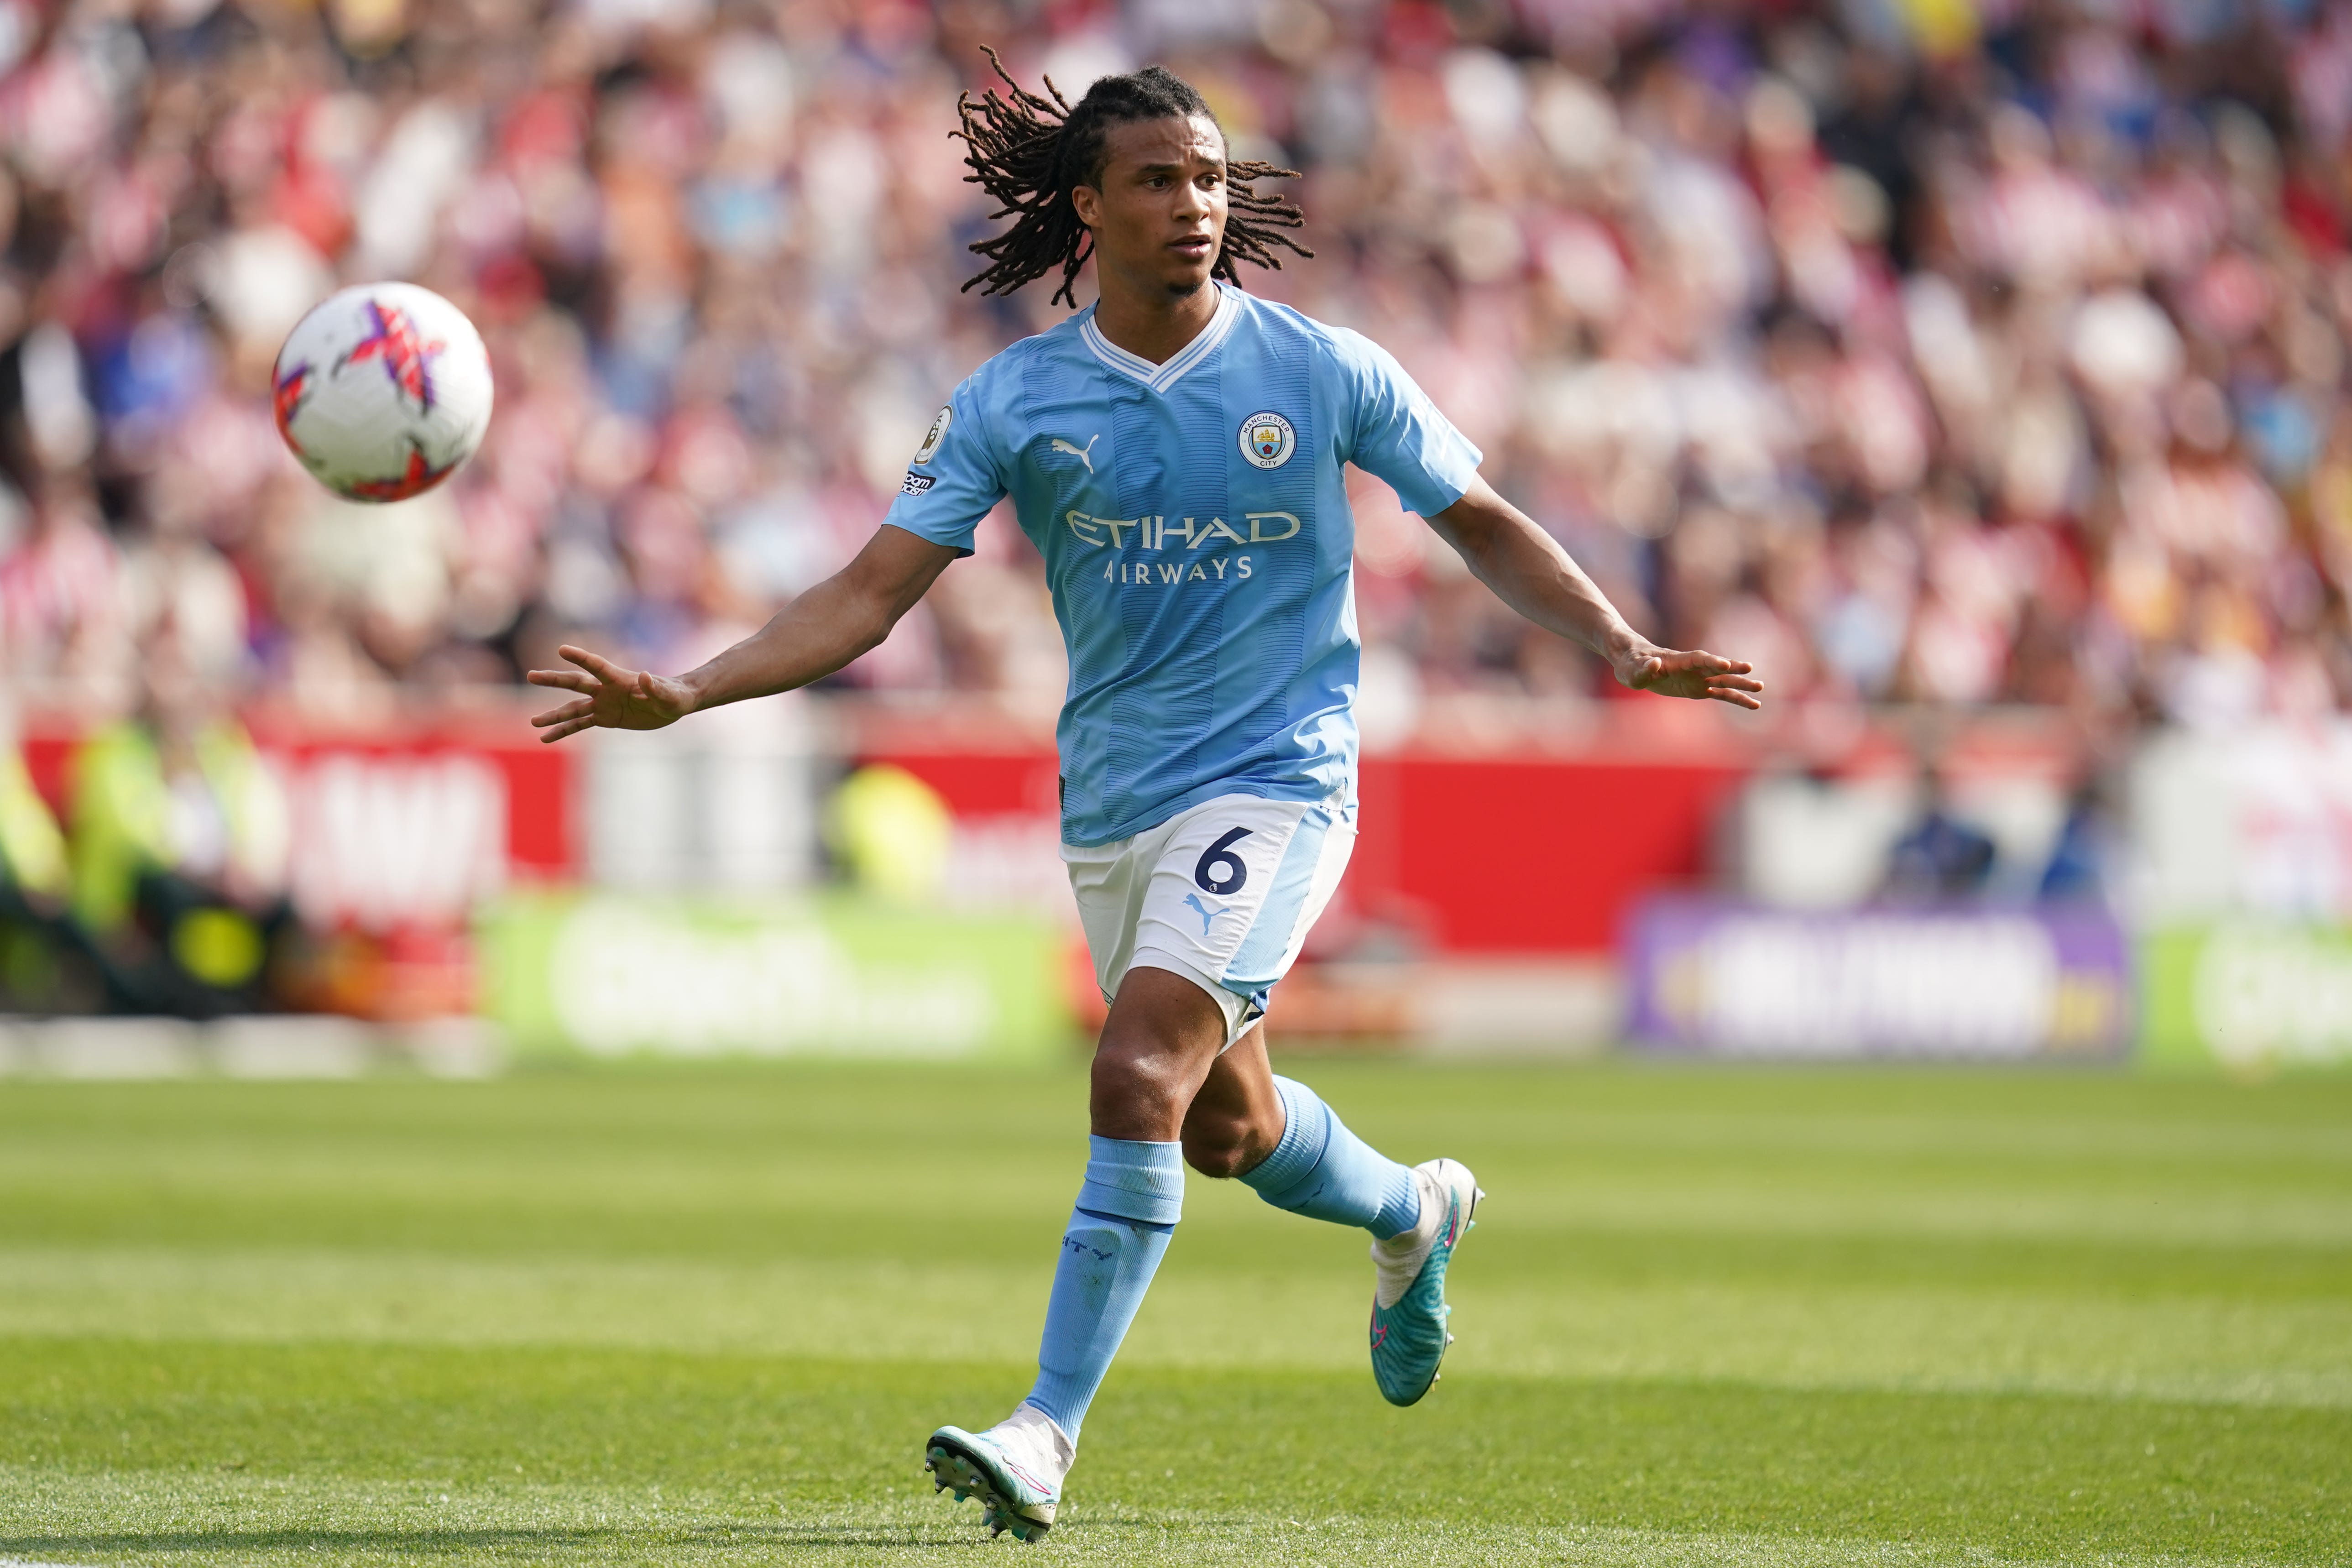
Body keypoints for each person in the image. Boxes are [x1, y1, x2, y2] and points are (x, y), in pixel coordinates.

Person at [527, 56, 1762, 1542]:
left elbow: (1477, 518)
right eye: (1160, 180)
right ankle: (1411, 1211)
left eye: (1212, 178)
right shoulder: (1015, 398)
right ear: (1087, 206)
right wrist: (693, 687)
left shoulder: (1318, 366)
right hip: (1117, 801)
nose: (1196, 206)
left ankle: (1044, 1429)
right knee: (1220, 1131)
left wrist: (1619, 644)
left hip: (1280, 781)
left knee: (1130, 1076)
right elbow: (869, 593)